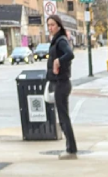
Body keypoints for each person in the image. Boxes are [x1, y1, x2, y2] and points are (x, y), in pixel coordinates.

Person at [46, 14, 77, 156]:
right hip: (59, 82)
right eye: (48, 25)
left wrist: (58, 61)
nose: (50, 28)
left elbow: (70, 54)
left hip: (62, 83)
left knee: (64, 117)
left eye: (52, 25)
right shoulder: (56, 40)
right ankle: (70, 147)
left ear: (58, 25)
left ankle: (71, 148)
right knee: (63, 116)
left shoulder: (60, 40)